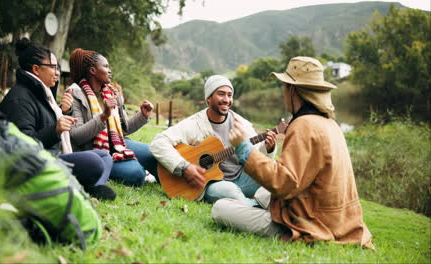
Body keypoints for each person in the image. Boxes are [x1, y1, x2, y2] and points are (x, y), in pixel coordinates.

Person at [211, 57, 374, 249]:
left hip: (310, 224)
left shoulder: (304, 124)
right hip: (338, 220)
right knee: (263, 194)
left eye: (284, 86)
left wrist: (243, 148)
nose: (283, 93)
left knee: (220, 208)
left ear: (293, 90)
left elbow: (283, 183)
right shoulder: (331, 124)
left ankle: (249, 208)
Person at [0, 38, 116, 200]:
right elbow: (22, 149)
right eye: (53, 67)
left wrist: (63, 112)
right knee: (93, 162)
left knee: (104, 156)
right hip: (33, 166)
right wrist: (55, 129)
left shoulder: (42, 94)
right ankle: (81, 190)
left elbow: (50, 124)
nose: (58, 72)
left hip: (51, 156)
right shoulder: (20, 99)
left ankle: (91, 189)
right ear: (36, 69)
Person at [150, 75, 277, 204]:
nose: (226, 99)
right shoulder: (195, 123)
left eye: (229, 95)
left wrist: (269, 149)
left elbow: (257, 159)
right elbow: (159, 142)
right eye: (221, 94)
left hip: (242, 178)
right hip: (214, 184)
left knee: (275, 175)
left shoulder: (242, 125)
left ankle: (256, 204)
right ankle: (252, 206)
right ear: (209, 98)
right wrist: (185, 167)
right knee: (230, 191)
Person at [67, 48, 157, 187]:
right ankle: (121, 170)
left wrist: (142, 116)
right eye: (106, 66)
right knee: (137, 175)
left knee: (154, 154)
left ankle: (177, 185)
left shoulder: (110, 93)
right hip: (94, 152)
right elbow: (76, 137)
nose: (110, 70)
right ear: (92, 70)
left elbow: (122, 131)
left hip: (117, 145)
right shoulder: (75, 94)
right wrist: (103, 116)